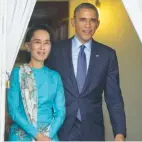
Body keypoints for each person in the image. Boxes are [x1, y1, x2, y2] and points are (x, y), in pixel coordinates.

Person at [46, 2, 126, 141]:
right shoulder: (56, 51)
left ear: (98, 24)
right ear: (73, 22)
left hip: (93, 129)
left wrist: (119, 133)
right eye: (82, 20)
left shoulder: (107, 55)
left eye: (92, 20)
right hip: (61, 127)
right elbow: (46, 90)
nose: (88, 25)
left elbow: (114, 98)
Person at [7, 24, 66, 141]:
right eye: (37, 42)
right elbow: (13, 111)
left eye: (47, 43)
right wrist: (38, 136)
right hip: (22, 136)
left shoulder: (55, 77)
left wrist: (47, 136)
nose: (42, 47)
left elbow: (60, 113)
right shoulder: (17, 73)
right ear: (28, 46)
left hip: (49, 136)